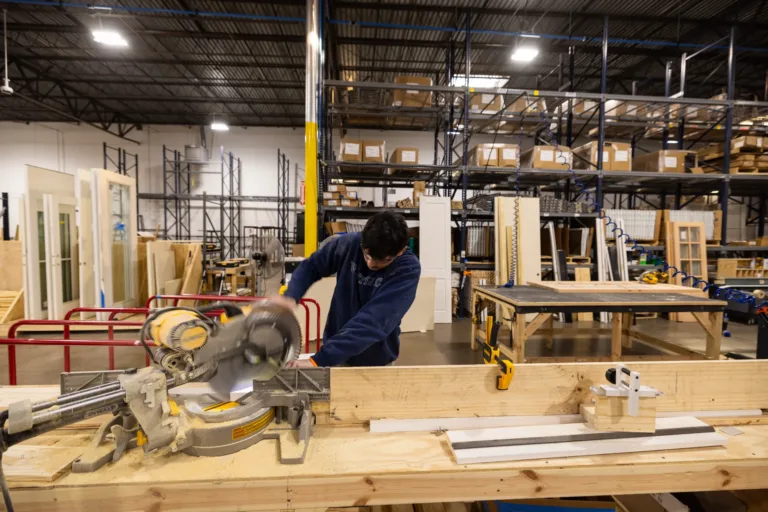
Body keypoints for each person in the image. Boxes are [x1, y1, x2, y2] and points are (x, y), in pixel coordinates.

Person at [274, 211, 421, 367]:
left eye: (383, 260)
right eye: (367, 255)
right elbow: (312, 266)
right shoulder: (350, 244)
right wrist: (291, 296)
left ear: (401, 251)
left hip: (376, 360)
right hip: (335, 353)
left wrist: (319, 360)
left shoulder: (407, 269)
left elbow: (374, 322)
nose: (371, 264)